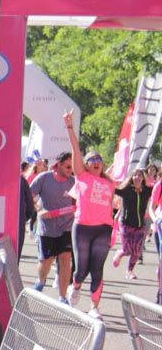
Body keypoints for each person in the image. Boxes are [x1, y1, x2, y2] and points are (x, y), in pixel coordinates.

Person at [63, 111, 114, 319]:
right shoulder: (82, 176)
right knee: (81, 269)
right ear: (85, 164)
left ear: (102, 164)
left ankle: (94, 307)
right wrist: (69, 127)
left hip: (103, 228)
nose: (95, 161)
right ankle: (75, 286)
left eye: (99, 159)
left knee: (97, 268)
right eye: (91, 159)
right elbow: (76, 149)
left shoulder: (110, 183)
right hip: (83, 227)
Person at [30, 151, 76, 304]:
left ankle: (63, 297)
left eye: (72, 166)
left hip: (66, 227)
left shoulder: (73, 182)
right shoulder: (44, 178)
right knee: (46, 261)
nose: (70, 170)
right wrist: (39, 209)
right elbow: (29, 196)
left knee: (65, 259)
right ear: (58, 165)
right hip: (47, 228)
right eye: (68, 166)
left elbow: (79, 203)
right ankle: (41, 280)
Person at [113, 168, 149, 279]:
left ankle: (129, 271)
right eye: (135, 175)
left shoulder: (147, 190)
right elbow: (113, 189)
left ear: (143, 178)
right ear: (131, 178)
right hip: (125, 224)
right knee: (127, 250)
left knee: (137, 251)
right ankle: (120, 252)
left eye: (139, 175)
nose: (137, 177)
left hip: (140, 226)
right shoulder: (126, 190)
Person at [18, 162, 38, 261]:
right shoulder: (21, 180)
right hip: (17, 225)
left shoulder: (21, 181)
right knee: (13, 262)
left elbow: (30, 207)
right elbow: (30, 207)